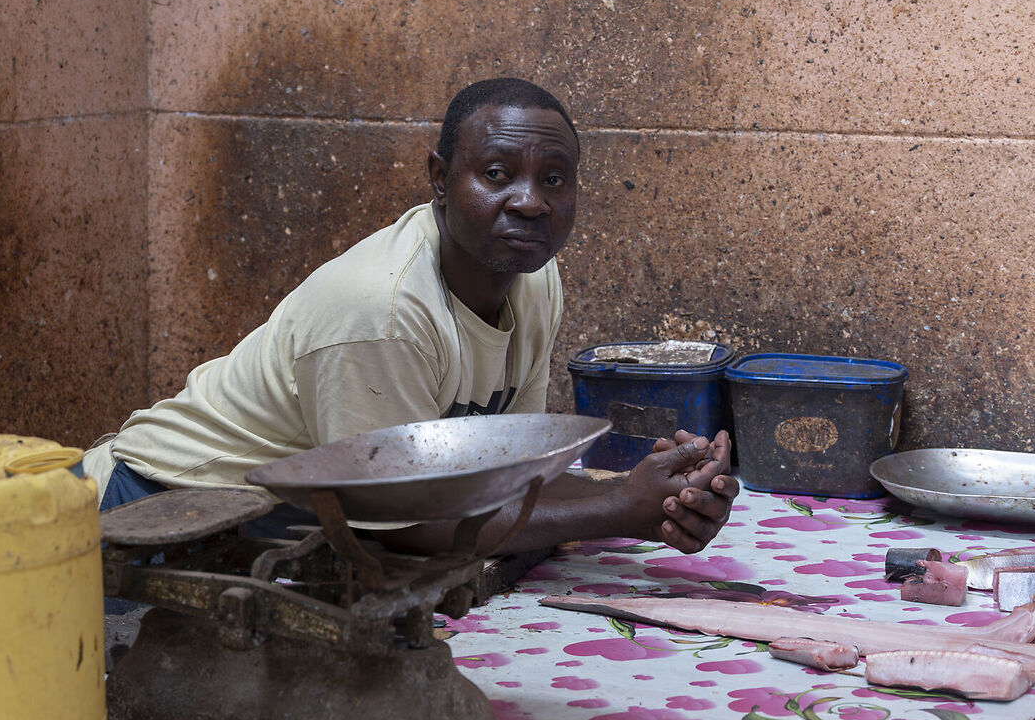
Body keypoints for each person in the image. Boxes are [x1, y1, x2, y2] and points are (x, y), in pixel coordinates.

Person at [81, 77, 737, 557]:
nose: (530, 202)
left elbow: (512, 478)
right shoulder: (382, 308)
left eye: (555, 179)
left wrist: (656, 498)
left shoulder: (534, 280)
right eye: (498, 172)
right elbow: (396, 526)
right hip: (149, 512)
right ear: (439, 179)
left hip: (274, 526)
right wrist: (620, 508)